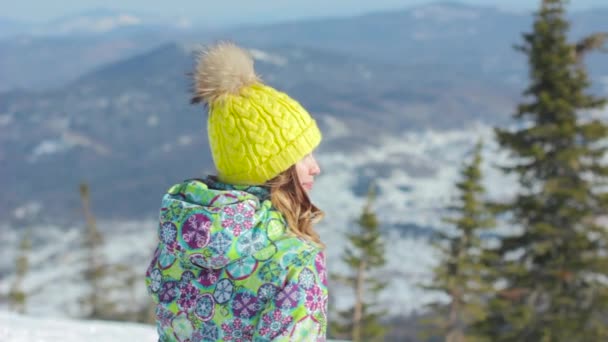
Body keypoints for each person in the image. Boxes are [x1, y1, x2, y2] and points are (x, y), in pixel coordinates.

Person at [145, 42, 328, 341]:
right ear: (273, 168)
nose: (315, 167)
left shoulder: (181, 242)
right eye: (303, 155)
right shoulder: (295, 261)